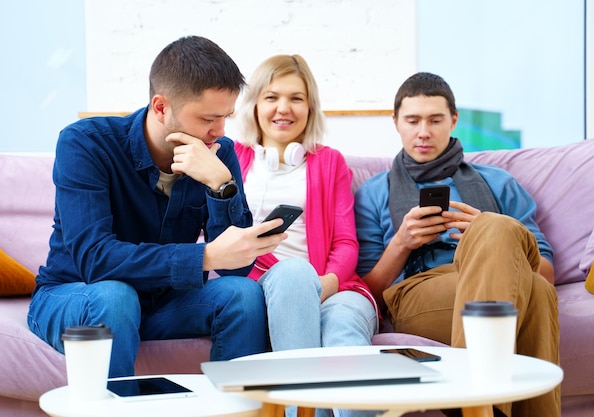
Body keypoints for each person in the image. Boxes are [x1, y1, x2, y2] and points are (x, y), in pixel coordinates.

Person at [27, 36, 289, 378]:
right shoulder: (86, 143)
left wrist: (221, 187)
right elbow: (95, 259)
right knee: (115, 298)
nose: (220, 131)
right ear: (161, 107)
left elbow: (236, 271)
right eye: (209, 118)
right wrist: (206, 256)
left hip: (160, 303)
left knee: (242, 293)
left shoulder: (217, 153)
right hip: (77, 295)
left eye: (226, 117)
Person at [354, 72, 560, 417]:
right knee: (531, 287)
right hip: (420, 292)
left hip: (508, 281)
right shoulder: (374, 193)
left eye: (435, 120)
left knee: (515, 257)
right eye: (413, 120)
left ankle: (476, 403)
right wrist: (402, 244)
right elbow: (366, 292)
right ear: (395, 123)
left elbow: (548, 273)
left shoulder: (499, 183)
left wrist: (488, 238)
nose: (424, 132)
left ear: (453, 120)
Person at [234, 54, 379, 417]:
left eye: (296, 98)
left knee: (343, 333)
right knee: (293, 276)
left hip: (335, 288)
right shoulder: (228, 158)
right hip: (267, 286)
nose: (284, 108)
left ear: (310, 106)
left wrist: (324, 285)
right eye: (272, 97)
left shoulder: (329, 161)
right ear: (254, 105)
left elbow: (346, 242)